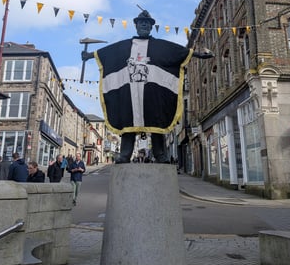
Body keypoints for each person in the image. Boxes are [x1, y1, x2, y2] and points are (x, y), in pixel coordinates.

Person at [81, 9, 212, 164]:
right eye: (141, 23)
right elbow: (108, 53)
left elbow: (178, 52)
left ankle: (160, 155)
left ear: (151, 27)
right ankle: (125, 154)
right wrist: (89, 56)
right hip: (130, 94)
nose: (144, 25)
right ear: (136, 26)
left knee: (156, 122)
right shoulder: (124, 47)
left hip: (152, 94)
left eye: (147, 23)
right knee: (129, 124)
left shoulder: (160, 47)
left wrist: (198, 55)